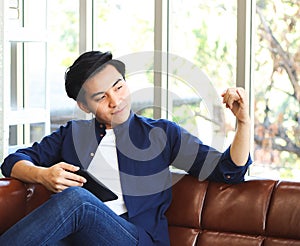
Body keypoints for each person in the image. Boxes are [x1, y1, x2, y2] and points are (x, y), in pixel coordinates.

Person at [0, 50, 252, 246]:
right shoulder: (72, 134)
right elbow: (12, 162)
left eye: (119, 87)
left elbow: (229, 170)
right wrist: (43, 175)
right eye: (101, 97)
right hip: (79, 238)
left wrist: (243, 122)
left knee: (78, 200)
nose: (116, 101)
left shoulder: (161, 133)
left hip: (134, 239)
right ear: (84, 106)